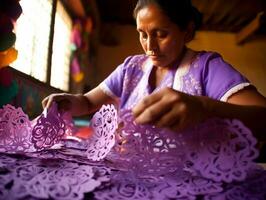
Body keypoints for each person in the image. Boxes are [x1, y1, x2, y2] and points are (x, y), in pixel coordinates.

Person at [42, 0, 266, 141]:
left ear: (186, 32)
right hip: (129, 173)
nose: (150, 46)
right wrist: (68, 102)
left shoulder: (206, 68)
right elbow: (89, 102)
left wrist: (203, 106)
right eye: (143, 33)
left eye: (161, 34)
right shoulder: (131, 68)